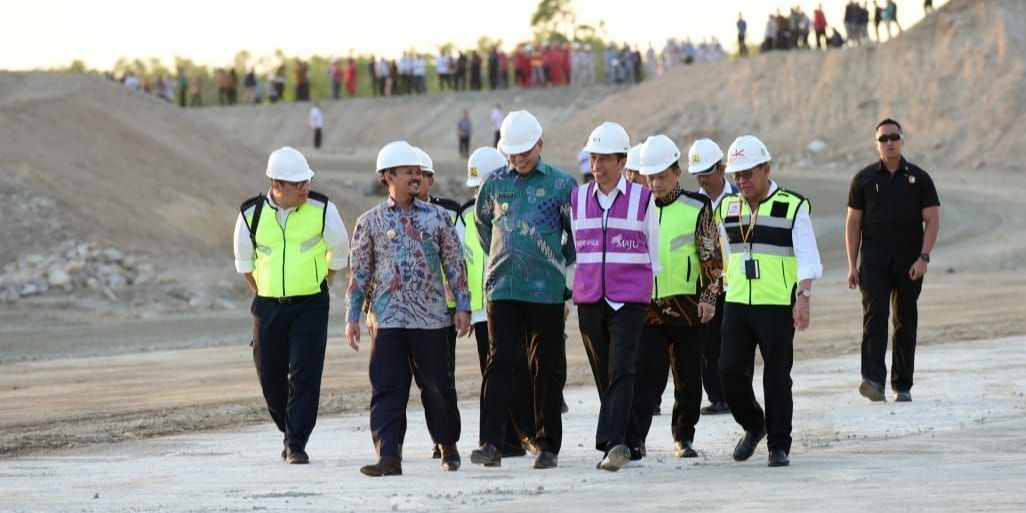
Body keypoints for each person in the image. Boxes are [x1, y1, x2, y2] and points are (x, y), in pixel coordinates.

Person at [346, 141, 471, 477]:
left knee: (437, 387)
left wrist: (463, 305)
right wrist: (352, 316)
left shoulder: (439, 217)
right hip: (387, 319)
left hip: (430, 318)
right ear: (387, 177)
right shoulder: (369, 222)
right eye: (408, 172)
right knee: (387, 386)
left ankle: (447, 445)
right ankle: (389, 455)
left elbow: (454, 263)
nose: (416, 177)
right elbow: (359, 272)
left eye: (418, 172)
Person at [470, 110, 576, 470]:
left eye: (525, 152)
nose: (519, 159)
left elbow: (574, 235)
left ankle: (547, 445)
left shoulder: (563, 185)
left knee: (546, 366)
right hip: (502, 288)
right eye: (512, 153)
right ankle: (491, 443)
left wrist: (558, 268)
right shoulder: (495, 182)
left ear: (540, 144)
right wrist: (504, 254)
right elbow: (483, 222)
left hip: (546, 290)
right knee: (499, 363)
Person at [233, 147, 349, 464]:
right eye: (297, 183)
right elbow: (245, 265)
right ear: (277, 184)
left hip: (311, 304)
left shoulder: (323, 209)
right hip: (267, 307)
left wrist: (318, 281)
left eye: (306, 181)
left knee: (305, 375)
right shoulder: (250, 215)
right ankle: (290, 431)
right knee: (270, 377)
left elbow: (339, 251)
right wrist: (267, 293)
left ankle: (296, 443)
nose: (304, 187)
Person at [716, 135, 822, 467]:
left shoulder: (792, 205)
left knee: (776, 376)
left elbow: (808, 256)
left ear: (766, 168)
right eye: (736, 175)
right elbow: (722, 255)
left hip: (777, 304)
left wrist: (803, 296)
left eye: (748, 173)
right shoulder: (726, 207)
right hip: (736, 302)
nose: (741, 180)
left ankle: (779, 444)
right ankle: (754, 424)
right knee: (728, 371)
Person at [568, 122, 657, 472]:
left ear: (623, 162)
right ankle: (633, 443)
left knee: (622, 369)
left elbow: (653, 249)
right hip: (590, 298)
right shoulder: (577, 199)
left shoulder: (642, 198)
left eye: (605, 158)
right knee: (605, 374)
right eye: (593, 158)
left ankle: (612, 443)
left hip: (630, 298)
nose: (597, 165)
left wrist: (647, 291)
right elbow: (575, 247)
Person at [631, 134, 721, 465]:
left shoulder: (698, 207)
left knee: (687, 377)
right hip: (646, 307)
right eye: (649, 176)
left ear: (677, 172)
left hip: (687, 306)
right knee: (645, 376)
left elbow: (711, 256)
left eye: (661, 176)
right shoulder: (636, 207)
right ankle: (636, 440)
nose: (654, 183)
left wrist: (710, 297)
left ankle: (684, 437)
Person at [847, 119, 940, 403]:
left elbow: (933, 219)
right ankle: (873, 380)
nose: (889, 142)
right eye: (884, 138)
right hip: (873, 263)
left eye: (894, 137)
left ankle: (902, 385)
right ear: (876, 143)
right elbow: (852, 223)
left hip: (909, 263)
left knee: (904, 322)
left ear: (902, 140)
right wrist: (852, 264)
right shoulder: (863, 179)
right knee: (874, 317)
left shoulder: (919, 178)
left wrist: (924, 257)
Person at [458, 147, 539, 458]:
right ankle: (503, 438)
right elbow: (458, 264)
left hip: (512, 301)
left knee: (518, 370)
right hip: (482, 309)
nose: (479, 192)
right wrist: (462, 305)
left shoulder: (516, 208)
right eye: (476, 188)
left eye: (483, 186)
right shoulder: (465, 216)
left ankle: (519, 435)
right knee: (493, 372)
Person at [689, 139, 738, 416]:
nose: (703, 178)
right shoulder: (694, 204)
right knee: (707, 344)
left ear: (721, 168)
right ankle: (717, 397)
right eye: (699, 174)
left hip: (735, 284)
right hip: (705, 284)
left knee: (732, 344)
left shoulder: (738, 200)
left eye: (707, 172)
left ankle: (733, 394)